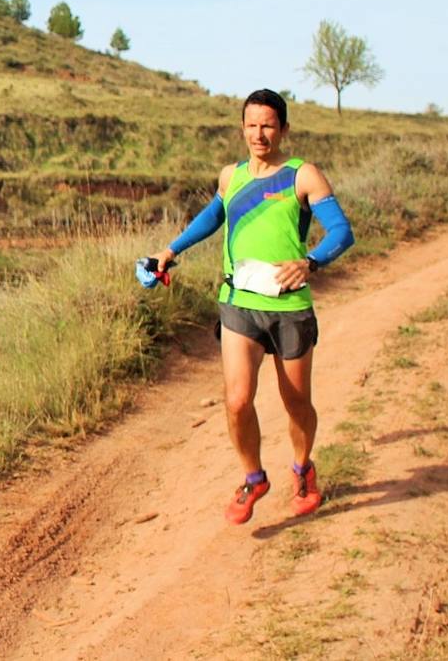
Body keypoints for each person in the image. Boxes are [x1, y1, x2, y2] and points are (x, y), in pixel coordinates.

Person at [150, 89, 355, 525]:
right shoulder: (231, 176)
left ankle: (302, 468)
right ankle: (253, 477)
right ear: (242, 127)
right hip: (238, 302)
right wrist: (171, 249)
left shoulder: (304, 176)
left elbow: (341, 230)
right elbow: (212, 216)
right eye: (251, 125)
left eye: (268, 125)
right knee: (237, 400)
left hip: (289, 306)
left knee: (296, 403)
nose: (259, 134)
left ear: (283, 129)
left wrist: (310, 261)